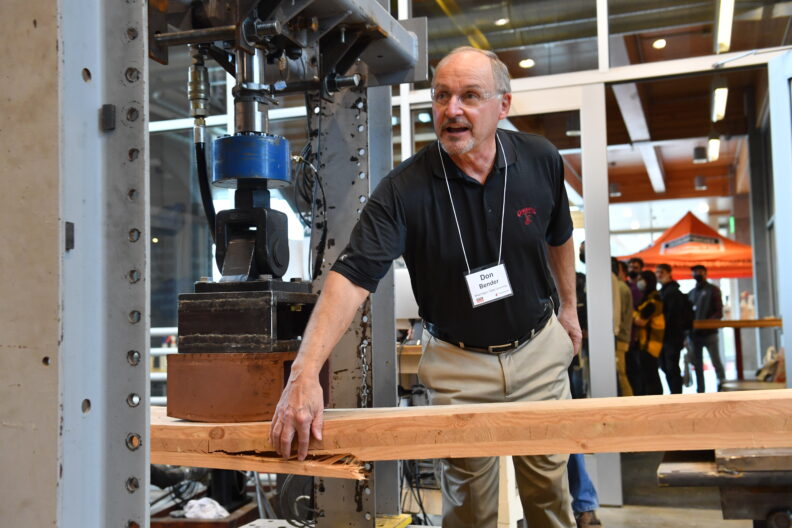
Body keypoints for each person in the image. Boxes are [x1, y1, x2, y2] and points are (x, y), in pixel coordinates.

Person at [270, 46, 581, 528]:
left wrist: (569, 311)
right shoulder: (404, 190)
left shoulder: (540, 159)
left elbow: (560, 235)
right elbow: (351, 277)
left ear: (504, 105)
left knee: (548, 499)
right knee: (469, 510)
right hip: (457, 366)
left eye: (470, 96)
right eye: (442, 96)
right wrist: (304, 373)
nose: (452, 110)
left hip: (538, 350)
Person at [687, 264, 726, 392]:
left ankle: (722, 385)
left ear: (705, 273)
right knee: (697, 364)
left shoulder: (713, 290)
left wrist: (707, 323)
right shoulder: (692, 293)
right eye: (695, 271)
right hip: (695, 334)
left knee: (716, 361)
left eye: (700, 271)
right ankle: (700, 390)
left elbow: (719, 312)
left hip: (710, 333)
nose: (697, 274)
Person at [655, 264, 692, 394]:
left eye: (661, 272)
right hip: (666, 337)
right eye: (657, 272)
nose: (659, 275)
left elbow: (674, 317)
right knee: (667, 367)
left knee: (671, 367)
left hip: (672, 337)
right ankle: (675, 393)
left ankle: (676, 394)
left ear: (669, 273)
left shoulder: (673, 293)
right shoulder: (663, 292)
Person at [633, 270, 665, 395]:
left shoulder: (653, 301)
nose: (639, 282)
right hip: (646, 344)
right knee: (648, 377)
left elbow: (640, 321)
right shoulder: (648, 298)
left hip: (650, 345)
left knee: (651, 378)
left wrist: (631, 313)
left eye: (642, 279)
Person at [612, 258, 633, 396]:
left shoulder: (619, 287)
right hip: (622, 336)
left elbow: (619, 315)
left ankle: (629, 403)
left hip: (619, 337)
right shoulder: (621, 286)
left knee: (620, 374)